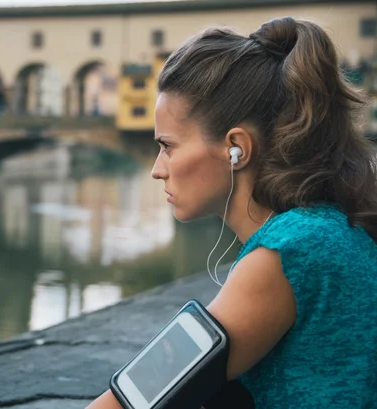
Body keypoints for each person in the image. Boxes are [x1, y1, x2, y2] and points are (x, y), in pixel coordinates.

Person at [86, 16, 377, 409]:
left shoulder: (290, 252)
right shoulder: (325, 228)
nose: (157, 168)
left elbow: (131, 404)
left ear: (235, 147)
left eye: (168, 146)